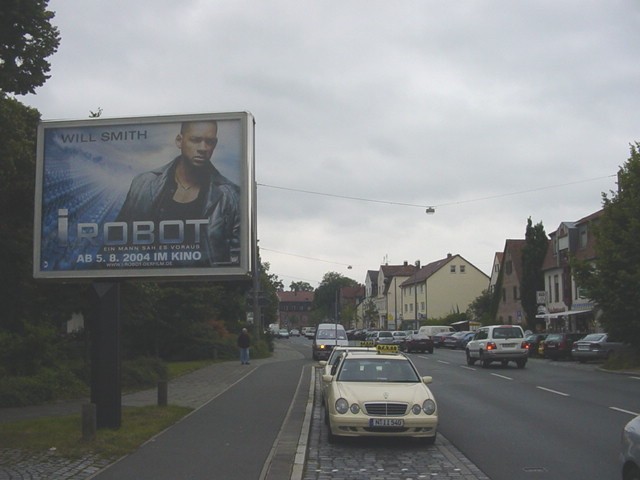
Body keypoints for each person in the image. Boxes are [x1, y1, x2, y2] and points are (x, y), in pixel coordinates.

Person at [115, 120, 240, 265]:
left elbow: (237, 257)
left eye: (209, 142)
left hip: (204, 284)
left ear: (215, 145)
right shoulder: (144, 183)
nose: (203, 148)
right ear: (179, 141)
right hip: (146, 283)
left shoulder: (231, 195)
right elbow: (117, 240)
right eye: (195, 140)